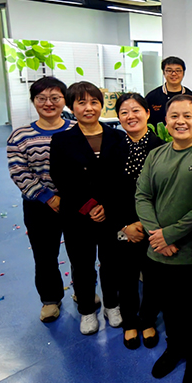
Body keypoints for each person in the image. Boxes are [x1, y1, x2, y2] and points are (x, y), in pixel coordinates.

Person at [136, 95, 192, 383]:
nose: (180, 121)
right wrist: (156, 235)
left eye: (188, 116)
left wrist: (170, 234)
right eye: (174, 116)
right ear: (165, 121)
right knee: (169, 306)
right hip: (158, 252)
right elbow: (142, 196)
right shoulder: (156, 155)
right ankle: (174, 349)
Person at [50, 81, 127, 335]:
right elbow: (61, 179)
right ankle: (86, 310)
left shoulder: (117, 137)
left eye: (94, 102)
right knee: (82, 264)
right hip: (77, 215)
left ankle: (112, 305)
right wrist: (90, 206)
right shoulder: (61, 140)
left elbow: (121, 178)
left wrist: (106, 206)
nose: (89, 108)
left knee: (111, 262)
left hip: (110, 213)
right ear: (71, 107)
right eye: (81, 102)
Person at [7, 76, 75, 322]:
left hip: (75, 202)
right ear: (33, 101)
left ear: (64, 101)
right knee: (45, 255)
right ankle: (50, 299)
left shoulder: (76, 129)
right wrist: (48, 198)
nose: (48, 103)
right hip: (39, 205)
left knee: (81, 251)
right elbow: (19, 171)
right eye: (41, 98)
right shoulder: (20, 136)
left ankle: (83, 290)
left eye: (55, 98)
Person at [109, 93, 163, 349]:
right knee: (126, 275)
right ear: (119, 118)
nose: (130, 116)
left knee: (152, 276)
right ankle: (130, 321)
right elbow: (106, 189)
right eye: (124, 112)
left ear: (147, 113)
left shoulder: (162, 147)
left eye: (136, 110)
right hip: (124, 225)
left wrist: (148, 224)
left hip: (153, 226)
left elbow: (165, 192)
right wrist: (124, 225)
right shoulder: (112, 148)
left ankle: (148, 320)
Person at [145, 56, 192, 127]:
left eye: (178, 71)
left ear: (183, 73)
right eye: (169, 71)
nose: (174, 74)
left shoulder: (191, 96)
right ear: (163, 72)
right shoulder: (152, 97)